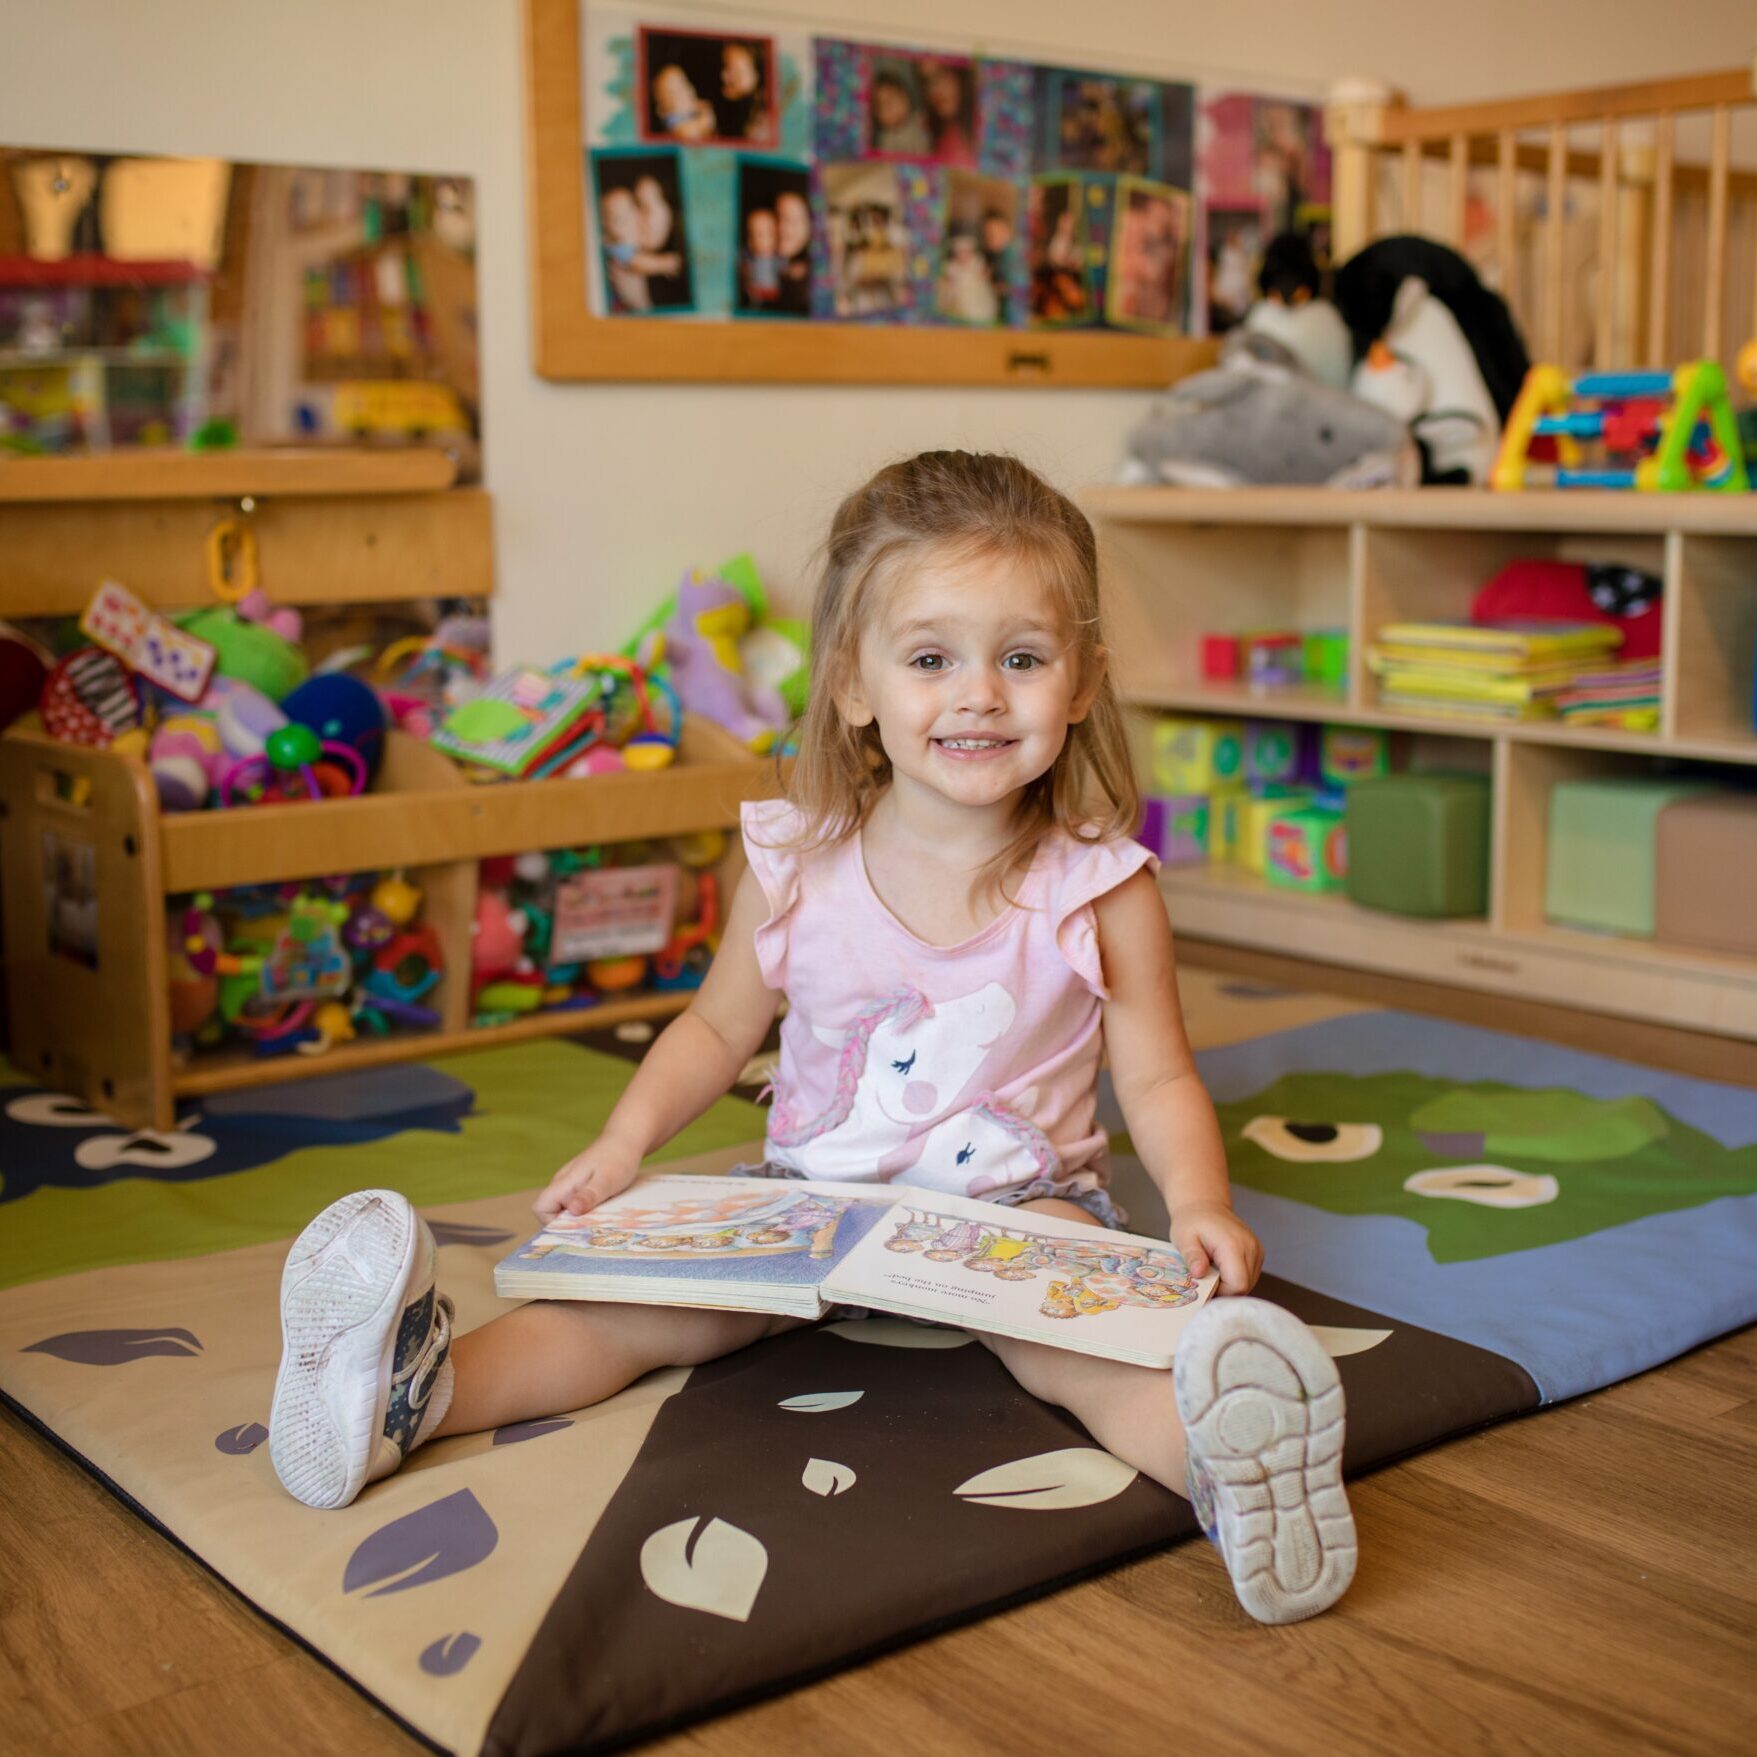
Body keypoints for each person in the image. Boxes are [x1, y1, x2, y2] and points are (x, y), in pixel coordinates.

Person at [266, 452, 1359, 1627]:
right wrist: (622, 1144)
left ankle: (1229, 1468)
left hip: (1018, 1206)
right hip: (807, 1204)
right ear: (853, 684)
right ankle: (404, 1397)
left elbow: (1156, 1072)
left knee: (1086, 1352)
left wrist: (1197, 1199)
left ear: (1081, 680)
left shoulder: (1098, 885)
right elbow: (715, 1022)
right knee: (627, 1315)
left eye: (1022, 658)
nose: (979, 693)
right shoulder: (797, 858)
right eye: (931, 658)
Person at [597, 183, 680, 314]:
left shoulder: (632, 240)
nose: (629, 220)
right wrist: (662, 264)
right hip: (623, 307)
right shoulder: (615, 247)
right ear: (606, 228)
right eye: (619, 219)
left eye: (630, 209)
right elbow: (636, 262)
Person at [870, 67, 932, 157]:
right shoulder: (886, 141)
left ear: (904, 97)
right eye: (881, 106)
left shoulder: (920, 119)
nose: (887, 108)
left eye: (890, 100)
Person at [715, 40, 769, 140]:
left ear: (758, 74)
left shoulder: (764, 120)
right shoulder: (728, 107)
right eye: (724, 66)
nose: (724, 76)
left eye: (736, 72)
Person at [650, 63, 715, 142]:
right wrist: (706, 116)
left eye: (684, 84)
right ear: (663, 110)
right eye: (676, 92)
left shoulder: (691, 117)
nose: (686, 93)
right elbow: (691, 134)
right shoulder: (678, 127)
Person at [739, 206, 782, 308]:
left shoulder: (777, 256)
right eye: (754, 233)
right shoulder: (748, 256)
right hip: (754, 292)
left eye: (767, 233)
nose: (760, 239)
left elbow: (784, 267)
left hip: (773, 292)